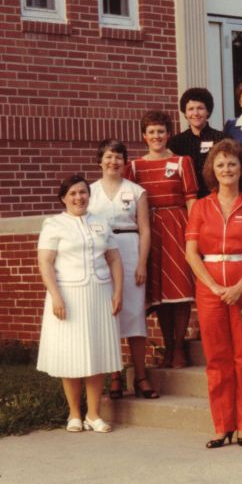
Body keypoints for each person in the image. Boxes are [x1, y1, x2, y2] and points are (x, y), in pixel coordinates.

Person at [185, 139, 242, 448]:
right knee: (217, 359)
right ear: (212, 170)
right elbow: (192, 253)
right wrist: (215, 286)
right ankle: (222, 425)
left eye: (232, 163)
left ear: (241, 168)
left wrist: (238, 287)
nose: (226, 169)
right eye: (220, 164)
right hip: (210, 291)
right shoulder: (201, 208)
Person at [36, 174, 123, 433]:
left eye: (83, 192)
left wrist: (118, 291)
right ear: (63, 198)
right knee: (73, 355)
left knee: (96, 353)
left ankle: (94, 414)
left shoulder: (101, 222)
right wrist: (56, 296)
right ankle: (74, 414)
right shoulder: (54, 224)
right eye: (73, 193)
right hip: (69, 296)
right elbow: (45, 262)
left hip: (99, 293)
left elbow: (115, 259)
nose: (79, 198)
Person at [127, 111, 197, 369]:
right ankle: (167, 347)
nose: (157, 136)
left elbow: (191, 198)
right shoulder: (134, 167)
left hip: (177, 226)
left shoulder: (182, 162)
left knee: (180, 291)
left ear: (169, 134)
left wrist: (193, 234)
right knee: (159, 295)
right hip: (149, 231)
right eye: (151, 132)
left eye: (161, 131)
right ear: (144, 136)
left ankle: (179, 348)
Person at [89, 139, 157, 400]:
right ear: (100, 161)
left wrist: (142, 263)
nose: (113, 162)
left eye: (118, 157)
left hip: (129, 250)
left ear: (125, 162)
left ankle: (140, 376)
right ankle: (115, 376)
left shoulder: (136, 191)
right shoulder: (90, 191)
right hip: (101, 253)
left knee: (133, 314)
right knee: (109, 316)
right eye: (108, 157)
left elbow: (146, 229)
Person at [168, 87, 226, 199]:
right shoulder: (175, 143)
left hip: (216, 198)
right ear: (185, 113)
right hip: (187, 200)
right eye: (190, 109)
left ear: (208, 111)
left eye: (200, 108)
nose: (195, 113)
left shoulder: (222, 139)